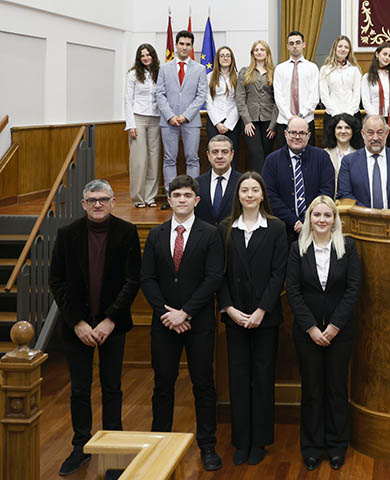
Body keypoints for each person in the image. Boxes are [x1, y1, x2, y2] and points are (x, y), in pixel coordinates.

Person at [49, 180, 141, 476]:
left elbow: (132, 280)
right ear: (83, 204)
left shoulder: (127, 233)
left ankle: (114, 447)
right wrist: (77, 322)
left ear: (114, 202)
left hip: (112, 325)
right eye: (92, 200)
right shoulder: (66, 235)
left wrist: (110, 319)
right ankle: (81, 446)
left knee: (112, 387)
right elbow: (57, 281)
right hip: (77, 328)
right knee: (79, 389)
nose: (98, 204)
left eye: (103, 199)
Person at [140, 174, 224, 471]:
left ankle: (207, 445)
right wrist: (168, 314)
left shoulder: (210, 233)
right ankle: (160, 443)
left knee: (203, 384)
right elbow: (147, 278)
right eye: (177, 196)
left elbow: (213, 277)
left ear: (196, 200)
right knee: (163, 384)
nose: (182, 200)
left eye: (188, 195)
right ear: (170, 200)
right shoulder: (156, 234)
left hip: (197, 323)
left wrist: (185, 312)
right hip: (164, 324)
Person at [218, 172, 288, 466]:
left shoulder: (275, 227)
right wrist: (229, 308)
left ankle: (259, 441)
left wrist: (262, 310)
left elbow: (278, 273)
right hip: (235, 316)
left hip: (265, 318)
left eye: (254, 190)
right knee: (238, 378)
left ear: (262, 195)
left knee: (262, 378)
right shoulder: (225, 228)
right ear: (238, 195)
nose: (249, 194)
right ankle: (241, 441)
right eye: (244, 190)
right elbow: (217, 274)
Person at [287, 196, 361, 472]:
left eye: (327, 215)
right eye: (316, 215)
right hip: (307, 334)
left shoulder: (348, 247)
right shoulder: (297, 249)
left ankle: (337, 446)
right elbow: (293, 291)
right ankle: (312, 447)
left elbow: (354, 288)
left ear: (334, 219)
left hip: (339, 333)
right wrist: (312, 328)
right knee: (312, 391)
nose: (321, 220)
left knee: (336, 390)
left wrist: (332, 327)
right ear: (309, 219)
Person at [155, 30, 208, 209]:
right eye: (182, 44)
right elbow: (159, 94)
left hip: (190, 121)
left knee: (192, 158)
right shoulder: (164, 68)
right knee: (169, 158)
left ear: (192, 47)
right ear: (176, 45)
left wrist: (185, 116)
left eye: (188, 44)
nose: (184, 47)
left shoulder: (200, 69)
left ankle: (191, 197)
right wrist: (170, 116)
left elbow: (201, 96)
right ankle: (172, 197)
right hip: (168, 121)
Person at [262, 116, 335, 242]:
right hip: (282, 229)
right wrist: (294, 221)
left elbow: (326, 191)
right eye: (293, 133)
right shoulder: (272, 160)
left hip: (316, 227)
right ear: (285, 134)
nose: (297, 136)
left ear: (309, 135)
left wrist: (306, 221)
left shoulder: (322, 157)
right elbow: (269, 195)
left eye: (302, 133)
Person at [337, 115, 390, 210]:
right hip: (361, 219)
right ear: (363, 134)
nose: (375, 138)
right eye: (370, 133)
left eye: (380, 133)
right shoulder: (349, 161)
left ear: (387, 133)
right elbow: (345, 194)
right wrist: (368, 213)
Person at [124, 43, 161, 208]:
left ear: (153, 56)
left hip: (156, 119)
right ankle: (138, 197)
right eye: (142, 55)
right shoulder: (133, 75)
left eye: (148, 54)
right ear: (139, 59)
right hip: (138, 118)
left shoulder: (160, 73)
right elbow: (127, 100)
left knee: (153, 159)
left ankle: (150, 197)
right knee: (139, 160)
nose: (146, 58)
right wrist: (130, 125)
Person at [236, 40, 278, 173]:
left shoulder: (275, 72)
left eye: (262, 50)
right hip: (251, 121)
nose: (259, 52)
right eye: (256, 50)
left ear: (267, 53)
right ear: (253, 53)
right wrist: (247, 122)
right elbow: (240, 98)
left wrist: (273, 125)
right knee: (256, 154)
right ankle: (258, 186)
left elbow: (278, 99)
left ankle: (267, 186)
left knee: (267, 154)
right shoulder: (245, 72)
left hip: (268, 120)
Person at [274, 31, 320, 146]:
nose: (295, 46)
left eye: (298, 43)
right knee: (283, 159)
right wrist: (290, 117)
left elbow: (314, 96)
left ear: (304, 44)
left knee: (308, 158)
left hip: (307, 120)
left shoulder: (312, 68)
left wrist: (300, 115)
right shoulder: (280, 69)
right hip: (284, 121)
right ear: (287, 46)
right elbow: (278, 96)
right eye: (291, 43)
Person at [361, 43, 390, 147]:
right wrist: (378, 121)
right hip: (376, 121)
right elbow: (366, 101)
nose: (387, 58)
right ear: (377, 54)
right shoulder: (367, 77)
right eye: (385, 54)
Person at [195, 135, 241, 225]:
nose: (219, 156)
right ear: (208, 155)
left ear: (232, 154)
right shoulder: (197, 183)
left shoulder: (242, 182)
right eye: (215, 152)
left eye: (224, 152)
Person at [205, 46, 242, 159]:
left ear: (232, 58)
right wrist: (217, 123)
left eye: (227, 55)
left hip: (233, 123)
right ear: (217, 59)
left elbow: (239, 101)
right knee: (215, 156)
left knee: (231, 157)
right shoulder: (209, 77)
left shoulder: (238, 76)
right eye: (222, 55)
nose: (225, 58)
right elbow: (209, 101)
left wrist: (229, 124)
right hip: (214, 122)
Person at [319, 35, 361, 131]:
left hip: (353, 115)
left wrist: (348, 115)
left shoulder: (354, 70)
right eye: (340, 46)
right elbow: (324, 95)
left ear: (349, 50)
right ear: (335, 48)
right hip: (331, 115)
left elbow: (357, 95)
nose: (343, 49)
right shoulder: (325, 70)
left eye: (346, 47)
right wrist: (336, 114)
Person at [323, 113, 363, 195]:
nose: (343, 131)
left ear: (353, 131)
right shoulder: (324, 154)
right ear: (333, 131)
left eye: (347, 128)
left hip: (353, 202)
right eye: (339, 128)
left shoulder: (361, 155)